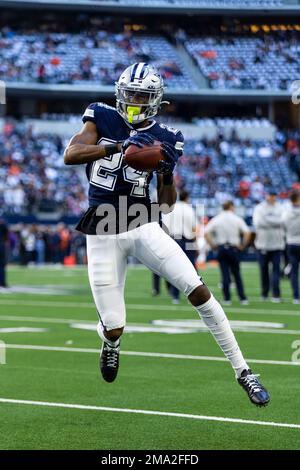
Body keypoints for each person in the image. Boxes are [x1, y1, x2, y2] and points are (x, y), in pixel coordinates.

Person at [64, 62, 269, 406]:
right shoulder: (100, 115)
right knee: (114, 325)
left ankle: (244, 371)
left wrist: (167, 173)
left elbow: (168, 205)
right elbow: (72, 154)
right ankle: (110, 343)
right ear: (119, 92)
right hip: (101, 227)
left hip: (143, 221)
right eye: (129, 93)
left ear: (155, 99)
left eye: (141, 96)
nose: (133, 100)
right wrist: (119, 147)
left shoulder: (168, 136)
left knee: (199, 291)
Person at [204, 201, 251, 305]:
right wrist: (243, 245)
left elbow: (206, 232)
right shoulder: (236, 218)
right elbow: (247, 232)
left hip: (221, 248)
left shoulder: (217, 218)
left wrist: (213, 245)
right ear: (231, 207)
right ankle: (242, 298)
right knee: (237, 274)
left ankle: (227, 298)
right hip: (234, 248)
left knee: (225, 274)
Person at [162, 190, 198, 304]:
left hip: (173, 239)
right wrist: (195, 244)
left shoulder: (171, 208)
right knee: (192, 268)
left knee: (174, 268)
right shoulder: (189, 209)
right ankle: (193, 294)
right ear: (186, 197)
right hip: (187, 239)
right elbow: (193, 228)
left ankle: (175, 295)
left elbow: (165, 227)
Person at [253, 191, 284, 302]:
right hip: (263, 244)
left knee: (276, 270)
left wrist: (267, 220)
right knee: (263, 270)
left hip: (277, 244)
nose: (271, 197)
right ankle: (264, 293)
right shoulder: (259, 208)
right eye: (270, 195)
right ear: (267, 196)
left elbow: (283, 221)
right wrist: (275, 222)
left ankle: (276, 294)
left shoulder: (280, 207)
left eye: (273, 195)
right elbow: (257, 223)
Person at [282, 190, 300, 304]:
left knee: (294, 272)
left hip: (291, 243)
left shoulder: (286, 213)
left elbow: (283, 228)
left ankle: (296, 296)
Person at [0, 218, 9, 289]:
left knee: (2, 265)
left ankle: (3, 282)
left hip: (2, 245)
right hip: (2, 245)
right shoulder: (3, 223)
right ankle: (2, 282)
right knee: (2, 266)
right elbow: (7, 234)